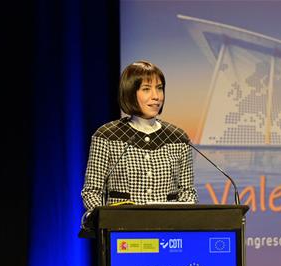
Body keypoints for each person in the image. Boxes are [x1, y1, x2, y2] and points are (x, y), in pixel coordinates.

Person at [81, 60, 198, 210]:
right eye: (146, 89)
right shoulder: (107, 136)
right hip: (121, 229)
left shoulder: (178, 138)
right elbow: (92, 192)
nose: (156, 96)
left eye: (159, 88)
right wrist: (108, 222)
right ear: (130, 92)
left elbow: (188, 192)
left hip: (167, 229)